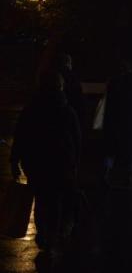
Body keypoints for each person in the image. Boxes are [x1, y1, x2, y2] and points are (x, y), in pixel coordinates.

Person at [10, 71, 81, 254]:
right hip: (61, 163)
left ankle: (43, 233)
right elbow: (76, 139)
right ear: (61, 86)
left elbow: (21, 135)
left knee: (41, 199)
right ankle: (53, 235)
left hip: (37, 163)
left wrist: (15, 160)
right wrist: (75, 162)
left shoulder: (32, 109)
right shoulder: (66, 110)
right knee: (56, 200)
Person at [102, 59, 132, 186]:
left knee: (111, 149)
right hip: (130, 122)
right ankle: (129, 175)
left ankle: (107, 172)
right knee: (131, 149)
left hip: (114, 121)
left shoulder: (113, 83)